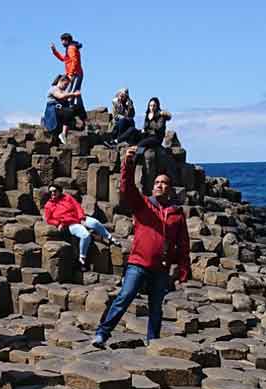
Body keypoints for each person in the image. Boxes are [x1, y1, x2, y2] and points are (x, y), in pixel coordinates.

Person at [93, 147, 190, 348]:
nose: (159, 186)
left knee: (156, 307)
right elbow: (127, 187)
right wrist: (127, 163)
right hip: (138, 262)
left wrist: (183, 268)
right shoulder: (143, 205)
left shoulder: (177, 214)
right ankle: (102, 333)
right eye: (156, 183)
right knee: (124, 297)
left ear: (170, 189)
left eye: (164, 183)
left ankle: (153, 342)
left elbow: (183, 243)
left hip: (161, 267)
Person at [43, 183, 119, 271]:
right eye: (50, 192)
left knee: (95, 222)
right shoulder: (48, 205)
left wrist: (81, 217)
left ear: (59, 191)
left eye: (54, 191)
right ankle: (82, 258)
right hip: (69, 224)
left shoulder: (67, 197)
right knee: (86, 236)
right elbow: (49, 219)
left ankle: (110, 237)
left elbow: (77, 206)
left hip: (78, 218)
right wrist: (58, 223)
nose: (52, 193)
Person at [138, 97, 176, 189]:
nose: (152, 107)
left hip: (156, 138)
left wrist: (153, 118)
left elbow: (159, 128)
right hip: (148, 136)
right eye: (150, 105)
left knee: (141, 144)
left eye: (154, 105)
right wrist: (144, 130)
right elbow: (146, 126)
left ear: (157, 106)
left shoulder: (160, 116)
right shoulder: (148, 114)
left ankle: (136, 157)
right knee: (134, 134)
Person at [50, 33, 85, 126]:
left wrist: (71, 73)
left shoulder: (71, 48)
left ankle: (75, 112)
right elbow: (64, 59)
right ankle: (80, 113)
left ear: (67, 40)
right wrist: (54, 51)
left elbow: (75, 61)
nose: (62, 42)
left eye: (63, 40)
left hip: (75, 74)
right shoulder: (69, 48)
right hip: (74, 73)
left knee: (72, 92)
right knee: (75, 92)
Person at [44, 75, 81, 144]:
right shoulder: (54, 89)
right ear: (60, 81)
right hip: (53, 111)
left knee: (75, 109)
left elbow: (68, 98)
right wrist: (73, 94)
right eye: (65, 84)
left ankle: (65, 133)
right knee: (68, 112)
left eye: (67, 85)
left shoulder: (63, 91)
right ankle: (63, 134)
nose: (66, 87)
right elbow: (60, 96)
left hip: (61, 110)